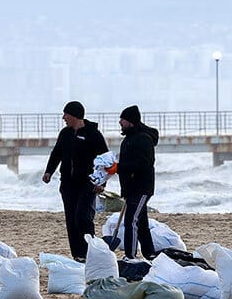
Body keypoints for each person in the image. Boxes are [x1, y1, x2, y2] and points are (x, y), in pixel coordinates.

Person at [43, 101, 109, 261]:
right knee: (71, 220)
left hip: (88, 184)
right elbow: (56, 153)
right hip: (67, 184)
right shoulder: (65, 133)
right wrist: (49, 171)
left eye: (66, 114)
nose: (63, 117)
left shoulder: (93, 134)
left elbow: (105, 159)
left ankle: (90, 251)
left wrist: (102, 183)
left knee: (83, 217)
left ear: (75, 115)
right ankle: (78, 255)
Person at [117, 105, 159, 260]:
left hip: (141, 187)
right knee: (141, 223)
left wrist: (119, 167)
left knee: (131, 221)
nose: (120, 122)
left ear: (131, 121)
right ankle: (150, 254)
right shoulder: (128, 139)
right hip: (130, 188)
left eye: (123, 119)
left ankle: (130, 255)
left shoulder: (143, 139)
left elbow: (143, 164)